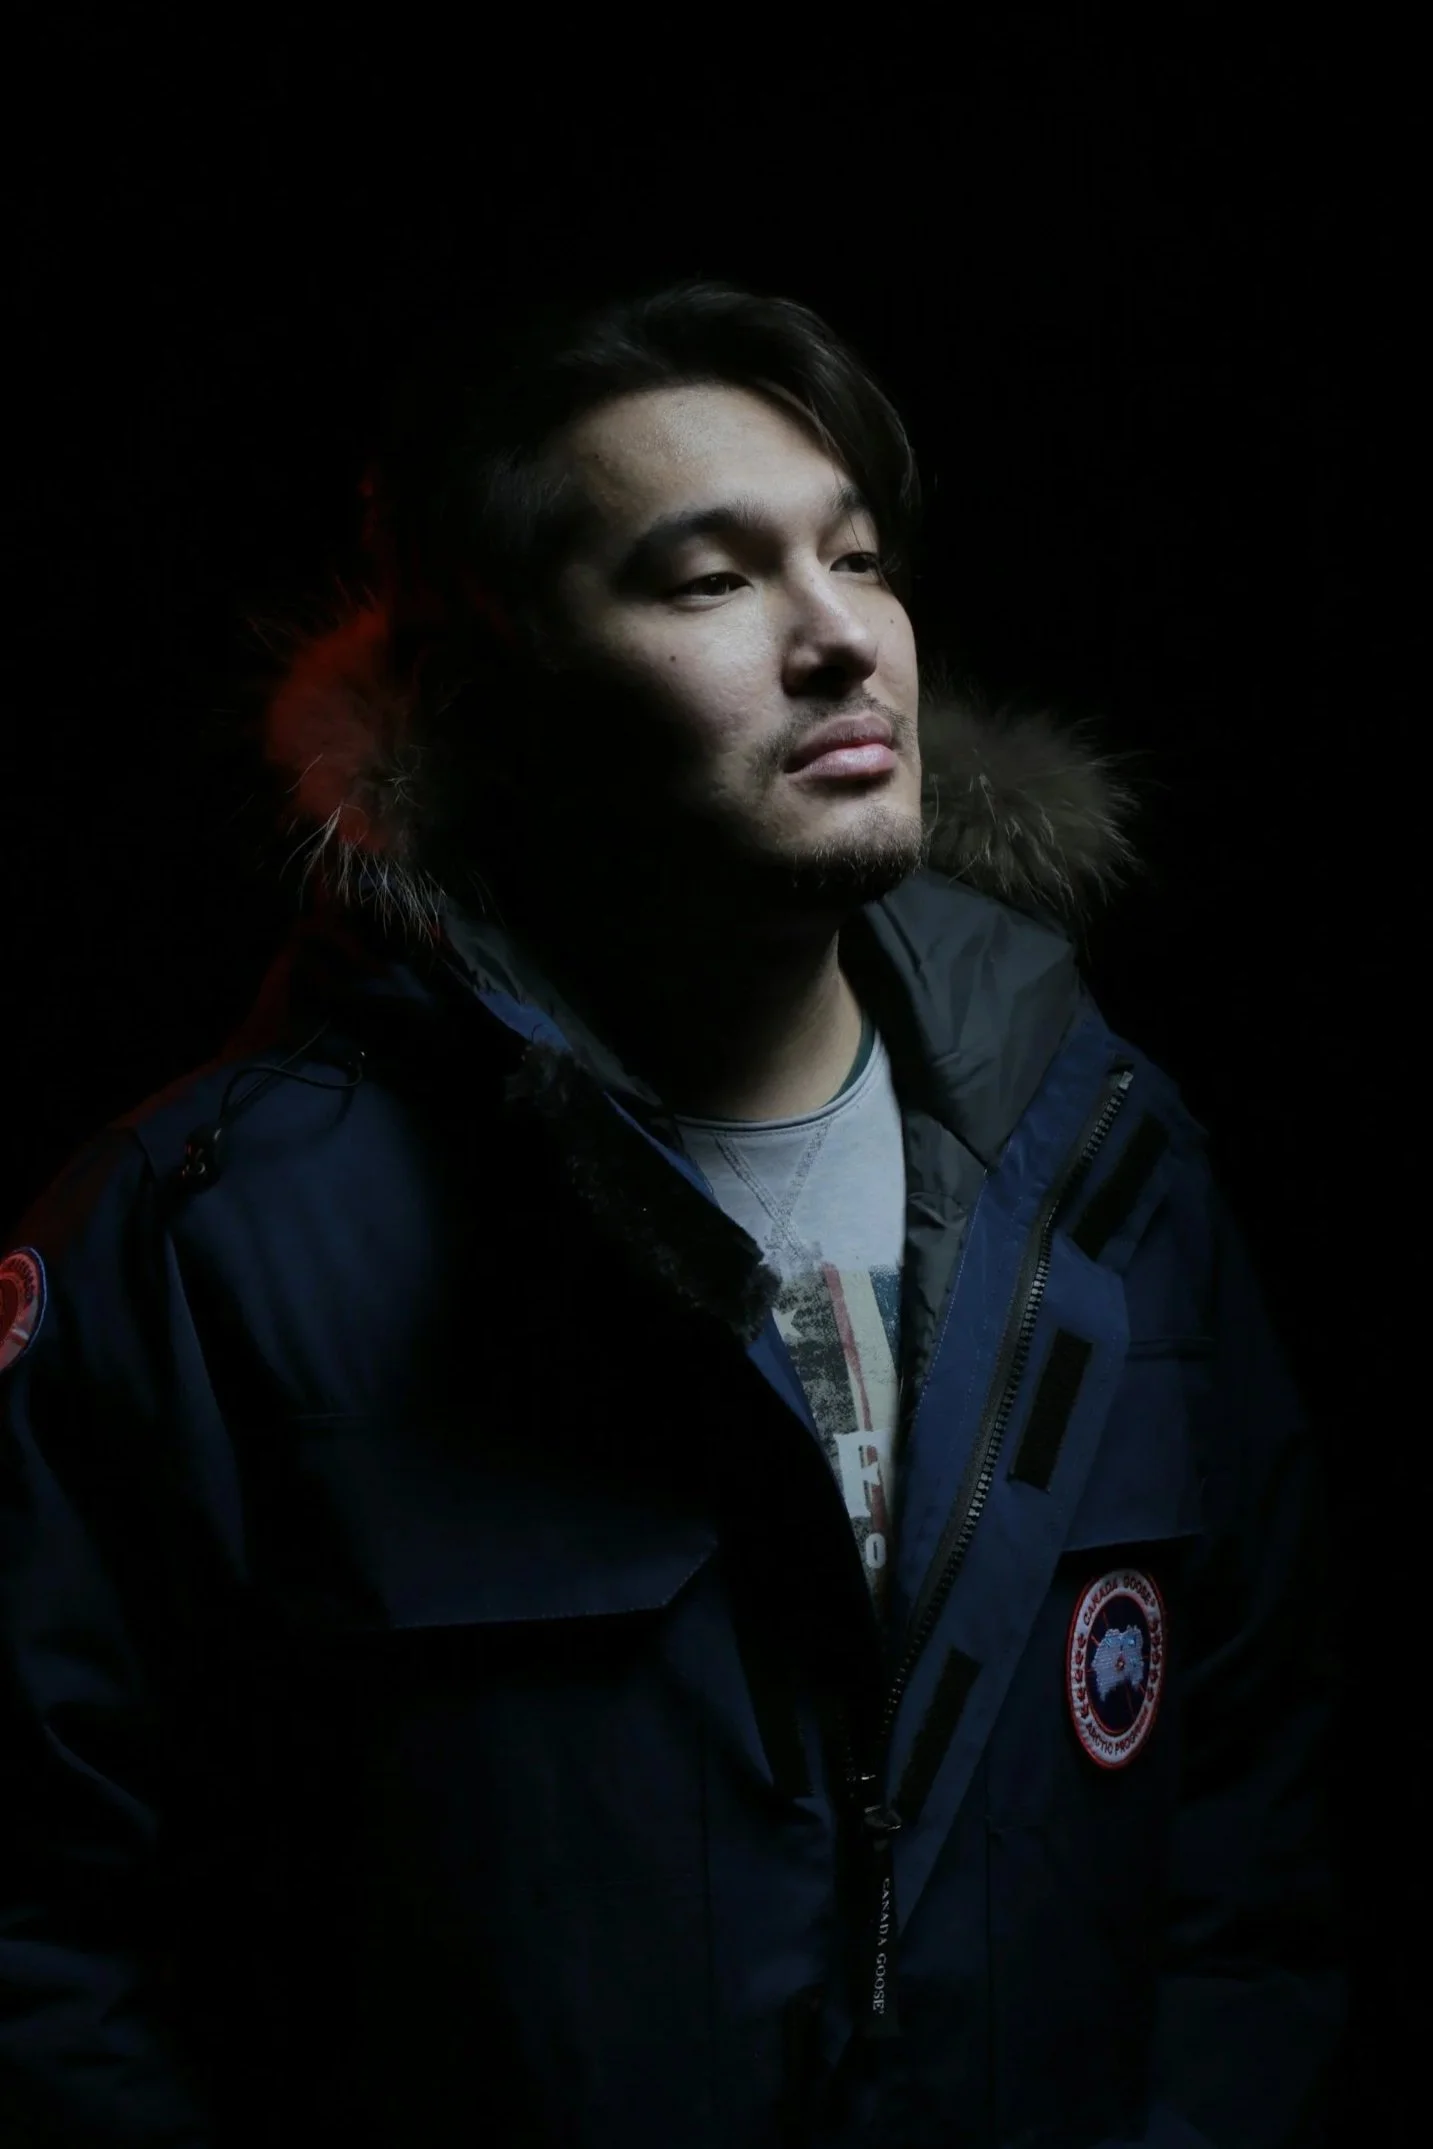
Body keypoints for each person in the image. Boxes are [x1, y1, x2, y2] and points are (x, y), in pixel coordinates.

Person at [0, 277, 1345, 2148]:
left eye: (856, 557)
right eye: (707, 580)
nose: (837, 640)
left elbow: (1260, 1842)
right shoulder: (205, 1240)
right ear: (488, 704)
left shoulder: (1113, 1163)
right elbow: (53, 1947)